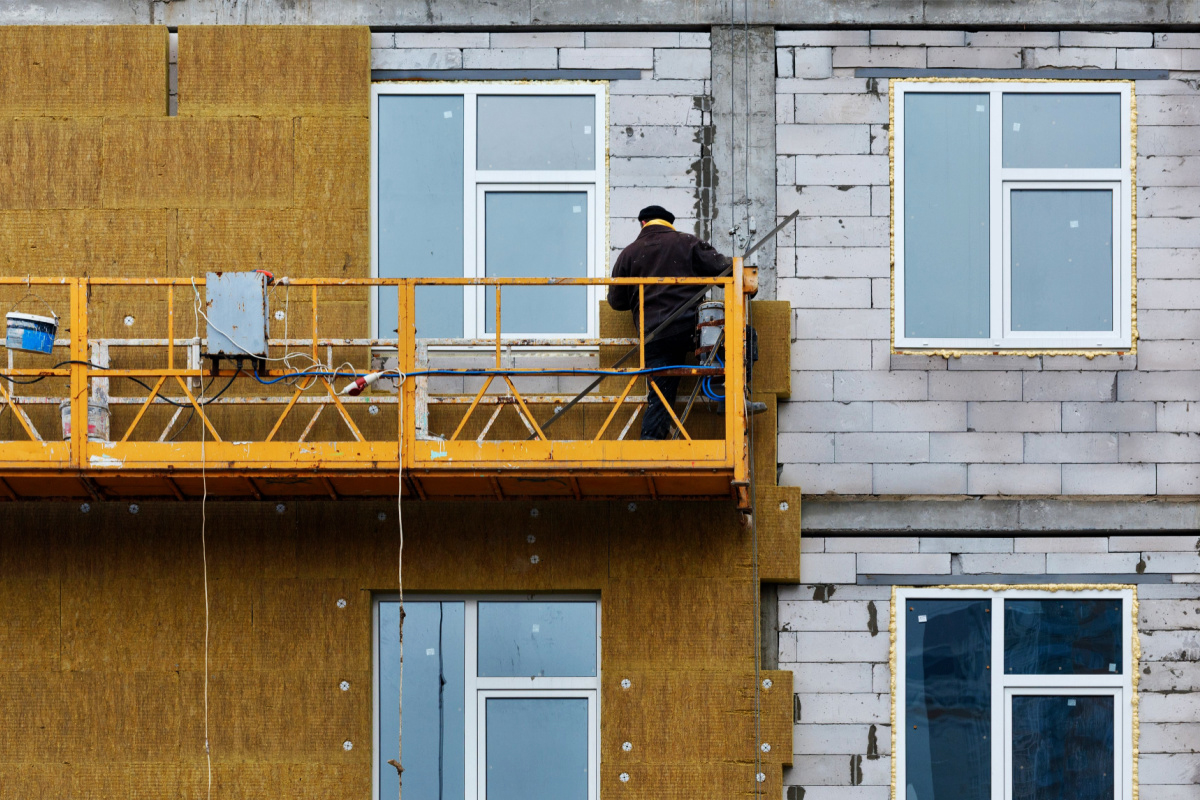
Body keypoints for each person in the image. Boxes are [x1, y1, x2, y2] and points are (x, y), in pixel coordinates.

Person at [608, 205, 731, 440]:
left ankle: (651, 441)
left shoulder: (629, 253)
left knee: (660, 394)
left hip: (653, 334)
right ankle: (728, 392)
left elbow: (616, 301)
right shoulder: (688, 243)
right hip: (689, 331)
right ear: (669, 224)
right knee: (740, 338)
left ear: (643, 223)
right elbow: (726, 271)